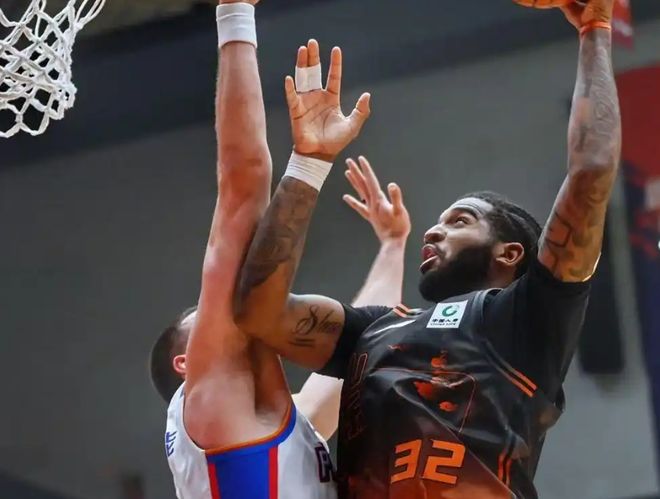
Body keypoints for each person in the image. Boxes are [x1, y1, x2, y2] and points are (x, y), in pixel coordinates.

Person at [234, 1, 621, 497]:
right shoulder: (373, 330)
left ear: (509, 254)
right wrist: (309, 162)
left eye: (459, 221)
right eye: (437, 222)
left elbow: (591, 173)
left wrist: (595, 29)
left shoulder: (527, 319)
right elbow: (258, 311)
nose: (432, 232)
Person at [148, 2, 384, 496]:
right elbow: (243, 184)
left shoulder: (253, 426)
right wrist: (234, 14)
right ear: (186, 364)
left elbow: (366, 339)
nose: (219, 309)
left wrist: (394, 245)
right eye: (201, 315)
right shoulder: (216, 410)